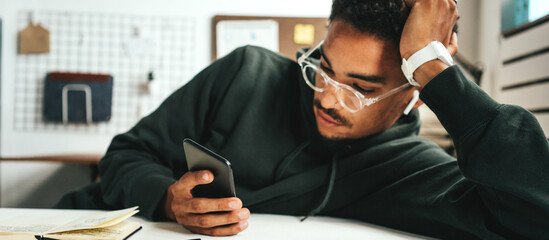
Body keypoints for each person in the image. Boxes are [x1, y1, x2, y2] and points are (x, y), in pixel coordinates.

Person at [56, 0, 549, 239]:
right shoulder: (246, 73)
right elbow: (125, 154)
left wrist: (437, 71)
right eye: (323, 67)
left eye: (361, 88)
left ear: (414, 96)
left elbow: (535, 214)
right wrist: (164, 198)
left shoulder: (409, 169)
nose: (328, 98)